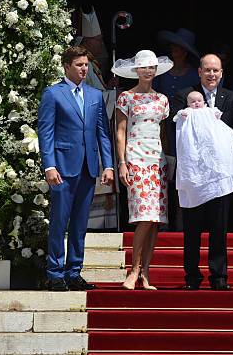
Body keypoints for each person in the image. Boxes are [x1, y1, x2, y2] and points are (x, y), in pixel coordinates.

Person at [37, 46, 114, 291]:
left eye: (86, 65)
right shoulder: (53, 93)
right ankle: (55, 273)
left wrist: (108, 164)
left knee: (81, 222)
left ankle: (74, 272)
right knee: (60, 221)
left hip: (88, 167)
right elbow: (46, 132)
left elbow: (103, 132)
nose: (84, 69)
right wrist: (49, 165)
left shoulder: (94, 95)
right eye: (79, 65)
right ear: (67, 66)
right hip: (62, 166)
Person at [171, 54, 233, 290]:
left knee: (219, 227)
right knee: (191, 228)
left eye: (216, 70)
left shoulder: (232, 99)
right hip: (194, 173)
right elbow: (173, 124)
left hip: (220, 173)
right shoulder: (184, 95)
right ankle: (192, 277)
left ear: (222, 73)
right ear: (199, 72)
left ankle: (219, 277)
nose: (212, 74)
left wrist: (217, 133)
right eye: (207, 70)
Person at [113, 50, 174, 290]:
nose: (148, 71)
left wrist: (169, 161)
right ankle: (134, 269)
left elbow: (164, 133)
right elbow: (119, 131)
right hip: (135, 160)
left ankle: (145, 271)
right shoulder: (126, 97)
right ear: (136, 70)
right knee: (143, 216)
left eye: (152, 67)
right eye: (144, 67)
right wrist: (121, 162)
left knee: (155, 219)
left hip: (157, 162)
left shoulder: (162, 100)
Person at [154, 28, 201, 229]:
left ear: (186, 51)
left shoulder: (193, 75)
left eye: (178, 47)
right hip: (163, 130)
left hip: (186, 132)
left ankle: (183, 223)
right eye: (172, 46)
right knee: (164, 175)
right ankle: (163, 221)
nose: (174, 50)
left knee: (185, 177)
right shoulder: (162, 73)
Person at [174, 91, 233, 209]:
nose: (196, 103)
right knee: (193, 160)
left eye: (199, 101)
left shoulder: (209, 110)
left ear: (204, 102)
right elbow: (178, 116)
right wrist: (182, 113)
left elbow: (217, 114)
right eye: (193, 102)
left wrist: (215, 114)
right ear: (188, 104)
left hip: (211, 144)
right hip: (194, 144)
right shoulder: (188, 112)